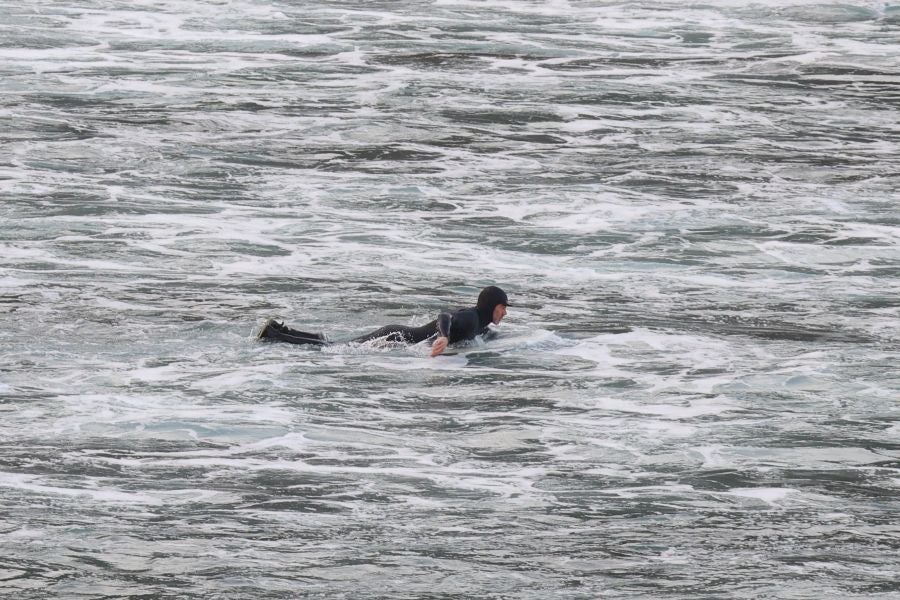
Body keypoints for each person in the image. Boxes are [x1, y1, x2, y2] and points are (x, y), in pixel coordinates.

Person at [257, 285, 510, 357]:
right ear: (492, 306)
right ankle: (275, 333)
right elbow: (444, 316)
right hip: (395, 338)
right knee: (332, 348)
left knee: (333, 345)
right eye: (503, 308)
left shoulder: (481, 325)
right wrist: (444, 335)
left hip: (399, 341)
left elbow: (482, 336)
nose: (505, 313)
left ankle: (279, 331)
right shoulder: (469, 318)